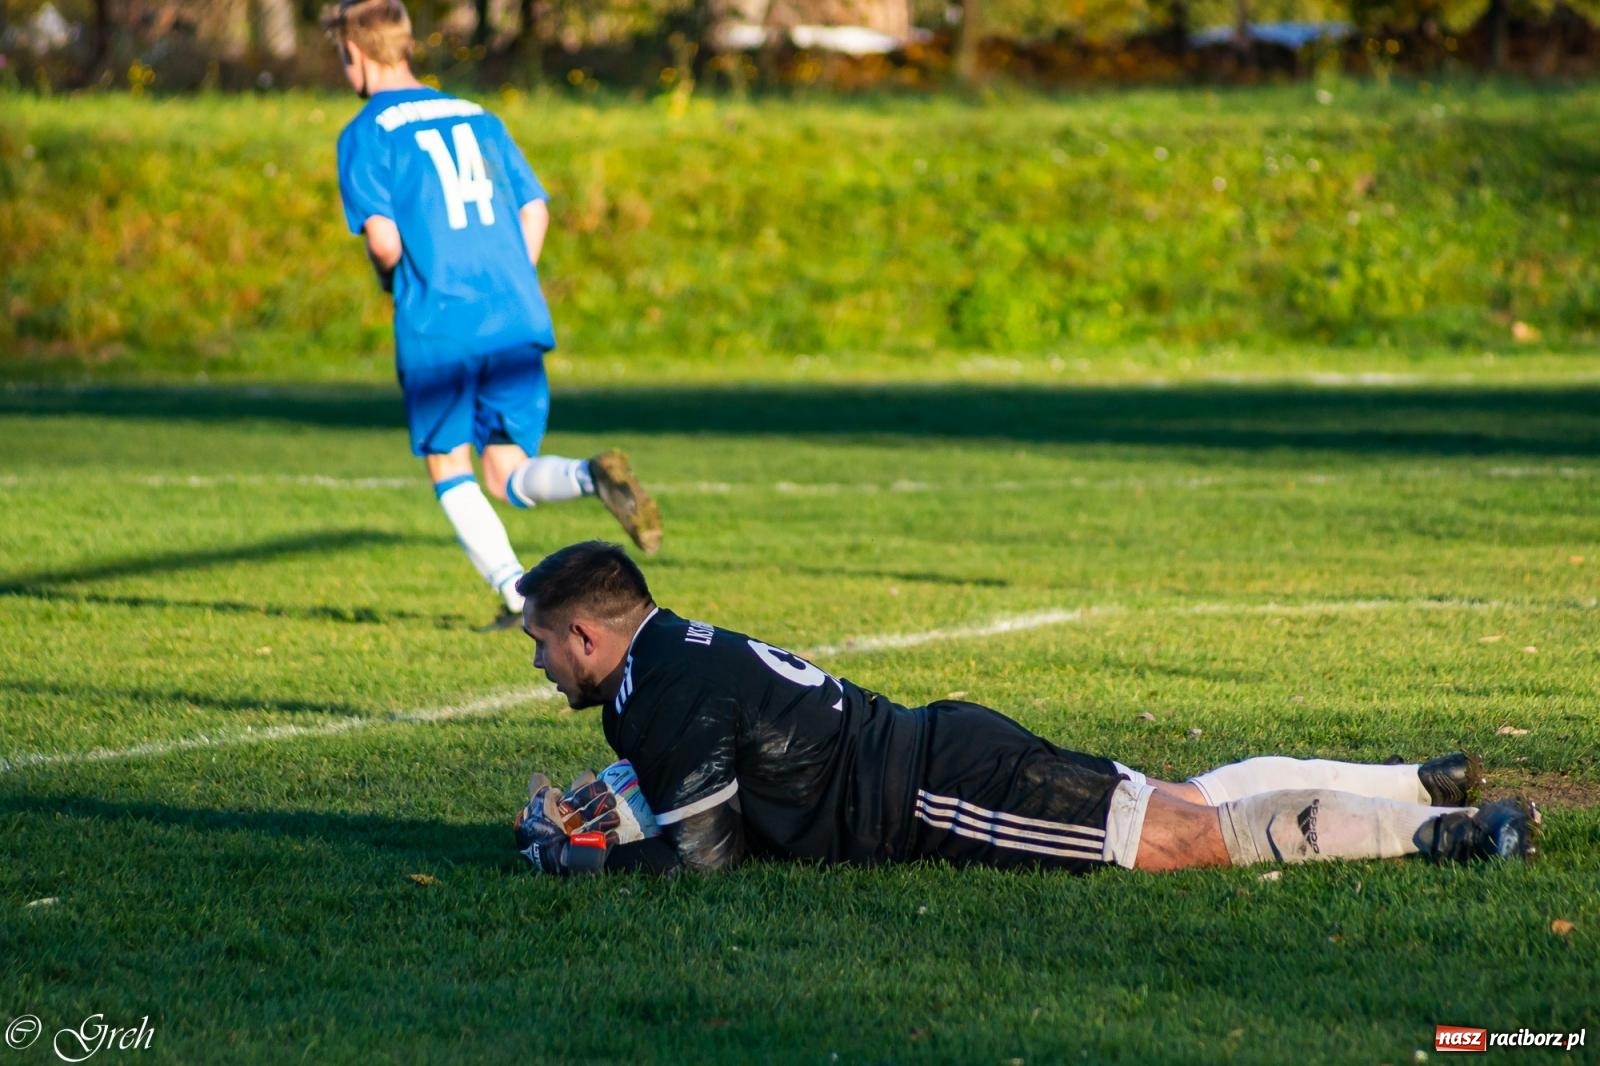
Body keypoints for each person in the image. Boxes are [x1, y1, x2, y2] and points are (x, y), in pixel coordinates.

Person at [511, 541, 1540, 876]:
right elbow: (693, 775)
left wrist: (586, 856)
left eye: (544, 644)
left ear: (587, 636)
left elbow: (707, 853)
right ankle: (1418, 782)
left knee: (1177, 840)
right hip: (944, 746)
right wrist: (594, 810)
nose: (545, 664)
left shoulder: (660, 689)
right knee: (1176, 798)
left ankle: (1446, 831)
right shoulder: (668, 655)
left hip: (939, 790)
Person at [323, 0, 661, 630]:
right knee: (505, 471)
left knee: (447, 460)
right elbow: (534, 209)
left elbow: (383, 240)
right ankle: (591, 476)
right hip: (513, 312)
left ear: (354, 52)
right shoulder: (481, 116)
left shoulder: (365, 132)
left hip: (440, 321)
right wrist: (509, 278)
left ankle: (514, 593)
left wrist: (398, 283)